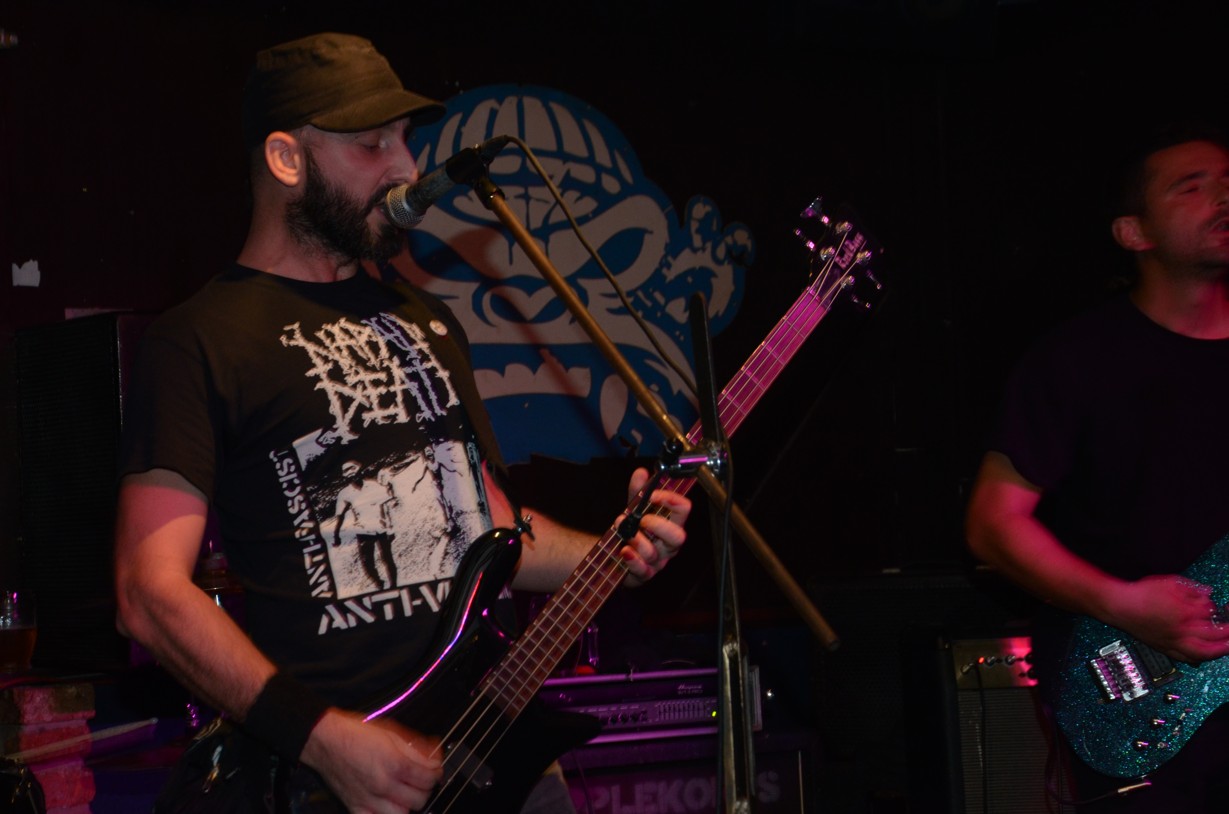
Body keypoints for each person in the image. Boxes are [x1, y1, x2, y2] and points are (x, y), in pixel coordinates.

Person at [112, 31, 691, 814]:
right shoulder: (200, 340)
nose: (407, 168)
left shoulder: (423, 319)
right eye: (371, 144)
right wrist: (324, 739)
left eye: (406, 140)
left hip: (489, 748)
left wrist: (612, 554)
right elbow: (147, 592)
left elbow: (487, 528)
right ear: (286, 160)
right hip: (331, 777)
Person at [965, 121, 1229, 811]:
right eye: (1191, 186)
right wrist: (1124, 604)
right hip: (1141, 696)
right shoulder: (1077, 361)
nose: (1222, 195)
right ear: (1133, 232)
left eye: (1227, 180)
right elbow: (993, 524)